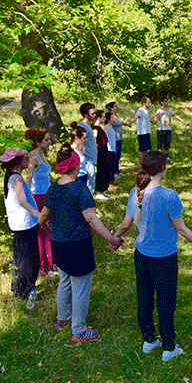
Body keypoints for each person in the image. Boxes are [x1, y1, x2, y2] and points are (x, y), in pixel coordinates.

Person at [114, 151, 192, 360]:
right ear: (162, 169)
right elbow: (182, 229)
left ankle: (149, 340)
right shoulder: (169, 195)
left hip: (141, 256)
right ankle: (169, 347)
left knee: (144, 298)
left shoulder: (136, 193)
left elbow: (126, 224)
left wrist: (114, 237)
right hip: (164, 258)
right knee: (166, 302)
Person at [38, 145, 124, 342]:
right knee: (81, 286)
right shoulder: (79, 189)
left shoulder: (53, 188)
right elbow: (91, 218)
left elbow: (44, 214)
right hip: (77, 245)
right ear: (75, 167)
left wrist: (41, 224)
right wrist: (111, 239)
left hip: (58, 243)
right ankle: (79, 330)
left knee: (65, 281)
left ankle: (63, 319)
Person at [0, 148, 41, 299]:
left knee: (20, 258)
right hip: (25, 224)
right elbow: (22, 201)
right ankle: (25, 291)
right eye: (25, 159)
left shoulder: (10, 176)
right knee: (29, 261)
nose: (28, 161)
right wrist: (38, 214)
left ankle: (18, 288)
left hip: (19, 224)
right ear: (18, 162)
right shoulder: (16, 179)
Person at [24, 128, 55, 276]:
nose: (49, 142)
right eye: (46, 140)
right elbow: (29, 178)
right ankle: (45, 266)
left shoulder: (43, 154)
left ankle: (51, 261)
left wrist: (58, 185)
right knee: (43, 231)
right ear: (37, 141)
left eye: (49, 139)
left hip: (47, 195)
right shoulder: (33, 157)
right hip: (38, 197)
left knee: (50, 229)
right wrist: (26, 198)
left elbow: (47, 175)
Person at [154, 96, 188, 162]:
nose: (166, 103)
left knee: (167, 143)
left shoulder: (169, 109)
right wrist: (154, 120)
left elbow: (175, 115)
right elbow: (157, 116)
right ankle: (160, 157)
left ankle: (166, 156)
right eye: (165, 101)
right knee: (160, 143)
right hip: (161, 129)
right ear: (161, 102)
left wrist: (182, 121)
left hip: (168, 129)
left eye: (167, 101)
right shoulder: (159, 110)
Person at [78, 103, 97, 194]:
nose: (95, 115)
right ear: (86, 115)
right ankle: (87, 206)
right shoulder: (83, 126)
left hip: (91, 159)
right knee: (88, 186)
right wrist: (83, 153)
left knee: (91, 184)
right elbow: (78, 143)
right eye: (92, 113)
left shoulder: (87, 125)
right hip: (87, 160)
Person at [92, 110, 110, 200]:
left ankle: (102, 190)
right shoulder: (95, 128)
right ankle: (99, 192)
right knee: (101, 171)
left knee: (104, 170)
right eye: (103, 117)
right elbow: (94, 138)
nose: (105, 118)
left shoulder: (99, 127)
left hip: (104, 151)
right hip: (100, 152)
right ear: (98, 118)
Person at [129, 97, 153, 164]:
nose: (150, 104)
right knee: (142, 149)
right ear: (144, 103)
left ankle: (145, 162)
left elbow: (146, 118)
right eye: (148, 103)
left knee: (146, 149)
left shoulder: (146, 111)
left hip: (147, 132)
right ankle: (141, 163)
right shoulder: (140, 110)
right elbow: (135, 117)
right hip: (142, 132)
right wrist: (130, 123)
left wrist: (151, 121)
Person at [106, 101, 127, 177]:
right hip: (114, 140)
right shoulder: (111, 117)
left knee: (118, 155)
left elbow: (121, 123)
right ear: (111, 109)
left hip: (119, 139)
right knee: (115, 156)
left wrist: (128, 124)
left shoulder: (116, 116)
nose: (117, 107)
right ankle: (114, 172)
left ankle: (118, 170)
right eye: (115, 106)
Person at [104, 112, 118, 187]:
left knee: (112, 165)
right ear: (109, 119)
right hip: (108, 149)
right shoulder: (106, 127)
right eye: (112, 118)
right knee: (109, 165)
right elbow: (105, 137)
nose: (114, 119)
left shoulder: (111, 127)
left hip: (113, 148)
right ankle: (109, 181)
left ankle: (112, 180)